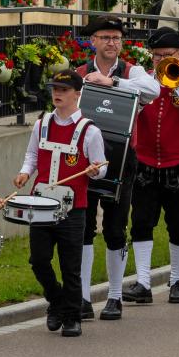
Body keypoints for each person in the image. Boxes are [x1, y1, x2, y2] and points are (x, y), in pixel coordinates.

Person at [75, 15, 160, 321]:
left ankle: (114, 296)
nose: (112, 43)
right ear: (93, 41)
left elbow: (154, 90)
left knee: (114, 227)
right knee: (83, 227)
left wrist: (112, 82)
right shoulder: (80, 73)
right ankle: (83, 298)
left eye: (116, 38)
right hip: (85, 161)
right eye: (106, 37)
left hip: (123, 159)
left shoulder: (131, 71)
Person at [123, 29, 179, 305]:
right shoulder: (143, 81)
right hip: (146, 161)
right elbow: (128, 112)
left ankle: (176, 281)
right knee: (140, 223)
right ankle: (143, 282)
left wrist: (178, 83)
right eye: (158, 56)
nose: (162, 60)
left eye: (169, 56)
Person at [14, 71, 107, 338]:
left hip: (73, 208)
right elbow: (32, 155)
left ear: (77, 94)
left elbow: (100, 167)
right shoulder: (41, 124)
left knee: (70, 265)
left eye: (64, 89)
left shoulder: (90, 131)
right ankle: (56, 300)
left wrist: (94, 171)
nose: (58, 93)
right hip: (40, 204)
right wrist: (24, 172)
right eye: (56, 88)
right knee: (39, 260)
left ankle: (71, 316)